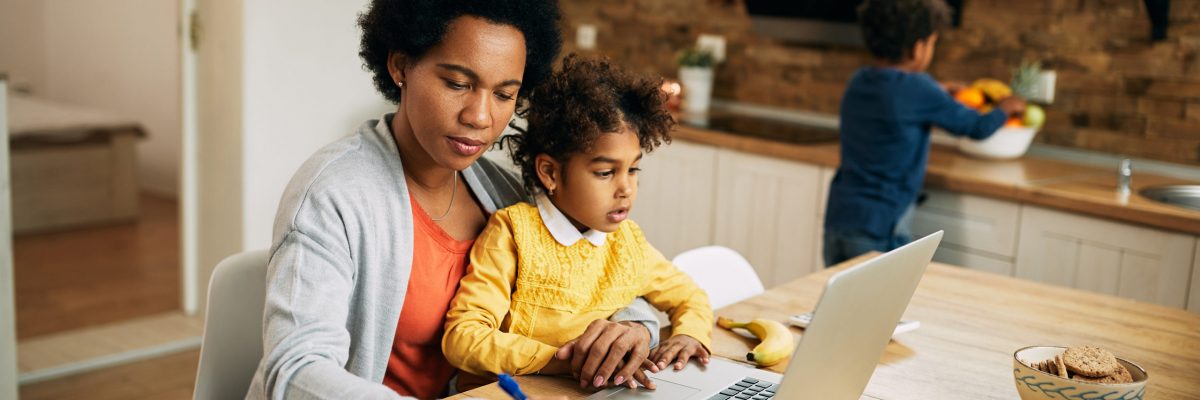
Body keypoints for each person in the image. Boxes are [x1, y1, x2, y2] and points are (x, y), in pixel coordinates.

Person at [246, 2, 661, 399]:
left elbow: (602, 279)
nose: (480, 117)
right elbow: (296, 372)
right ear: (400, 66)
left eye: (504, 94)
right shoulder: (334, 195)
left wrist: (635, 329)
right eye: (458, 84)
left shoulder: (504, 195)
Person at [441, 55, 714, 391]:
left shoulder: (628, 243)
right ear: (551, 173)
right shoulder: (514, 232)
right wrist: (565, 359)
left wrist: (689, 334)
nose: (626, 188)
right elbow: (464, 338)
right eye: (605, 173)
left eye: (633, 170)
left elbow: (691, 296)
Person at [823, 0, 1026, 266]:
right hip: (882, 227)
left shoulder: (859, 80)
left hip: (839, 219)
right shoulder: (920, 88)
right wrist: (1004, 109)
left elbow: (895, 96)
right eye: (932, 43)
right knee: (882, 304)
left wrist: (938, 91)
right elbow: (976, 127)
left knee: (841, 304)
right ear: (918, 48)